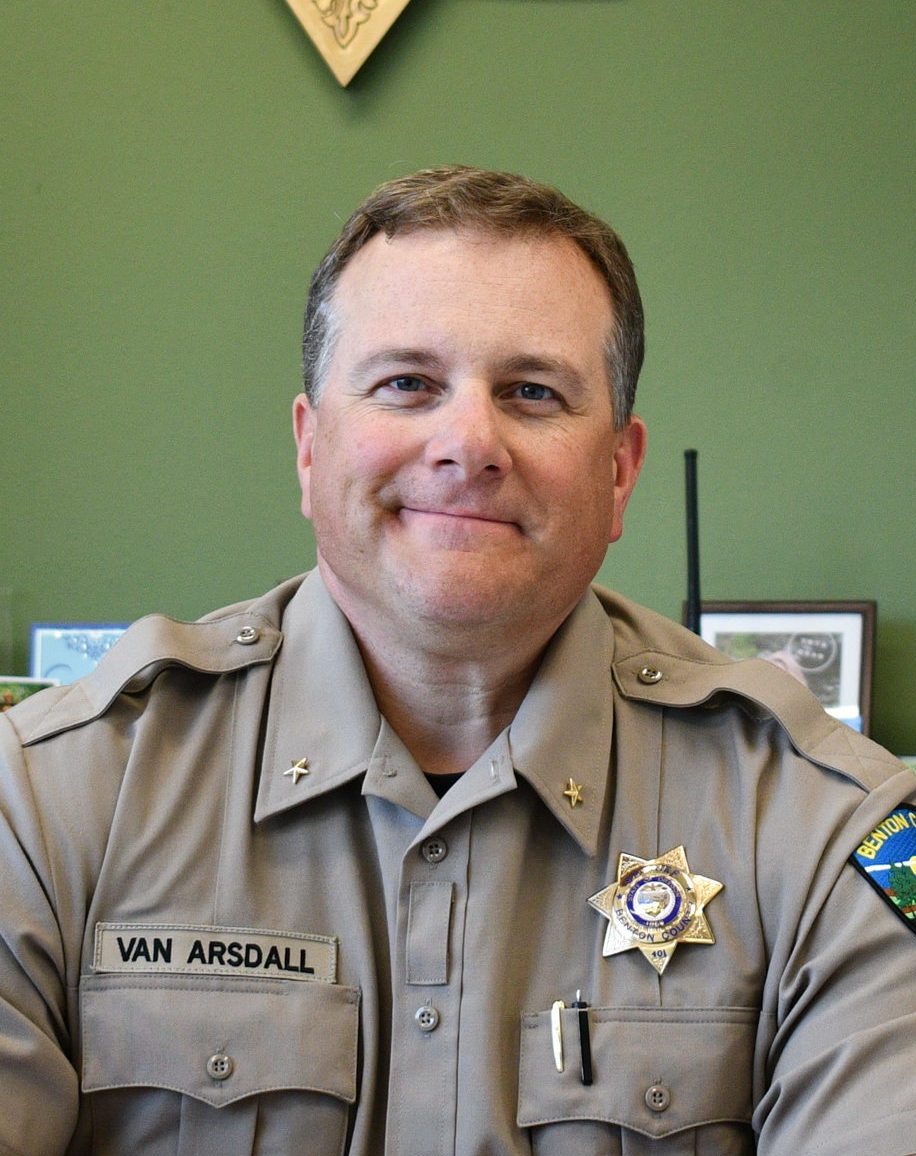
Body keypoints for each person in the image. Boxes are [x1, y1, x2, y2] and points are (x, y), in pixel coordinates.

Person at [1, 166, 914, 1155]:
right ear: (309, 448)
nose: (469, 441)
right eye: (407, 384)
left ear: (618, 473)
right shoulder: (48, 800)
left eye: (532, 392)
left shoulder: (827, 827)